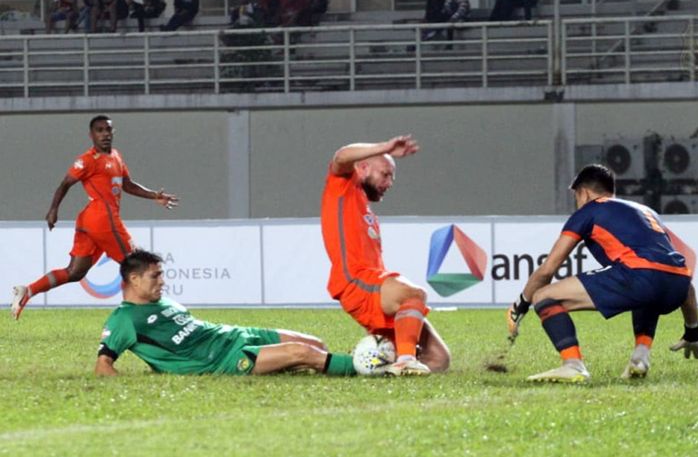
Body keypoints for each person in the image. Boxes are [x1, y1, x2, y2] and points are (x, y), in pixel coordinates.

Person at [507, 164, 698, 382]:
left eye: (576, 196)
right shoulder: (647, 212)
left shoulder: (589, 210)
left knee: (544, 296)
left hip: (640, 276)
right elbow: (674, 272)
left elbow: (547, 270)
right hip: (680, 283)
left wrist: (521, 304)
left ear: (584, 192)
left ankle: (573, 365)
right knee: (648, 290)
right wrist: (693, 330)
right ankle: (641, 356)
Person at [10, 115, 178, 321]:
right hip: (102, 219)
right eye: (99, 130)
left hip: (90, 221)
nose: (105, 134)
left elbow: (128, 184)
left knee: (75, 272)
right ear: (91, 135)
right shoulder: (87, 160)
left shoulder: (116, 156)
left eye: (108, 130)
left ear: (113, 132)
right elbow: (65, 184)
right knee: (137, 265)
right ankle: (153, 317)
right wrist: (53, 209)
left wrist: (154, 195)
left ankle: (28, 290)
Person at [95, 250, 357, 377]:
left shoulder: (163, 302)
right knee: (302, 353)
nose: (162, 282)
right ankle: (371, 368)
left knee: (316, 345)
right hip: (223, 358)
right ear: (134, 279)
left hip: (234, 334)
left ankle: (287, 367)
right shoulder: (124, 319)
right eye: (155, 276)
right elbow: (102, 366)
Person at [320, 135, 451, 376]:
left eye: (392, 176)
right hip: (354, 281)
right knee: (414, 294)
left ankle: (388, 369)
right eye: (385, 174)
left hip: (371, 283)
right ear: (362, 167)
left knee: (439, 359)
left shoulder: (363, 205)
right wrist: (385, 147)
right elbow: (340, 156)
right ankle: (405, 361)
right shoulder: (342, 187)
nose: (389, 182)